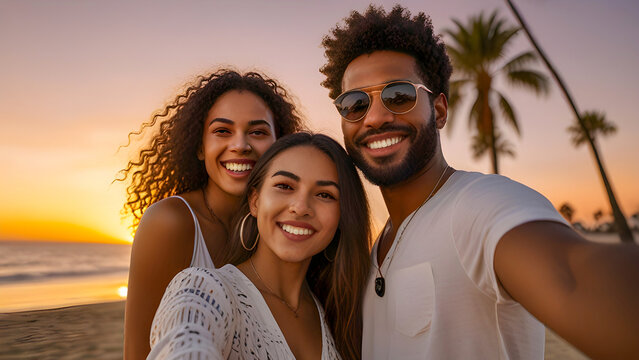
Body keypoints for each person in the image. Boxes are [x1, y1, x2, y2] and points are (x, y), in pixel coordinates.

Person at [320, 5, 639, 359]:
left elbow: (573, 276)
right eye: (354, 104)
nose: (375, 117)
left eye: (399, 95)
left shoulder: (480, 206)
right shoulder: (375, 250)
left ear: (438, 110)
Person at [119, 69, 304, 359]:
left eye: (257, 132)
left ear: (280, 146)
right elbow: (140, 353)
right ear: (200, 147)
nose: (240, 145)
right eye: (222, 131)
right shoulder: (171, 223)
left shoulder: (286, 227)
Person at [147, 133, 371, 359]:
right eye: (284, 186)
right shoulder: (206, 289)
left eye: (325, 194)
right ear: (255, 201)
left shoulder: (342, 316)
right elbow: (184, 342)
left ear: (342, 216)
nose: (301, 207)